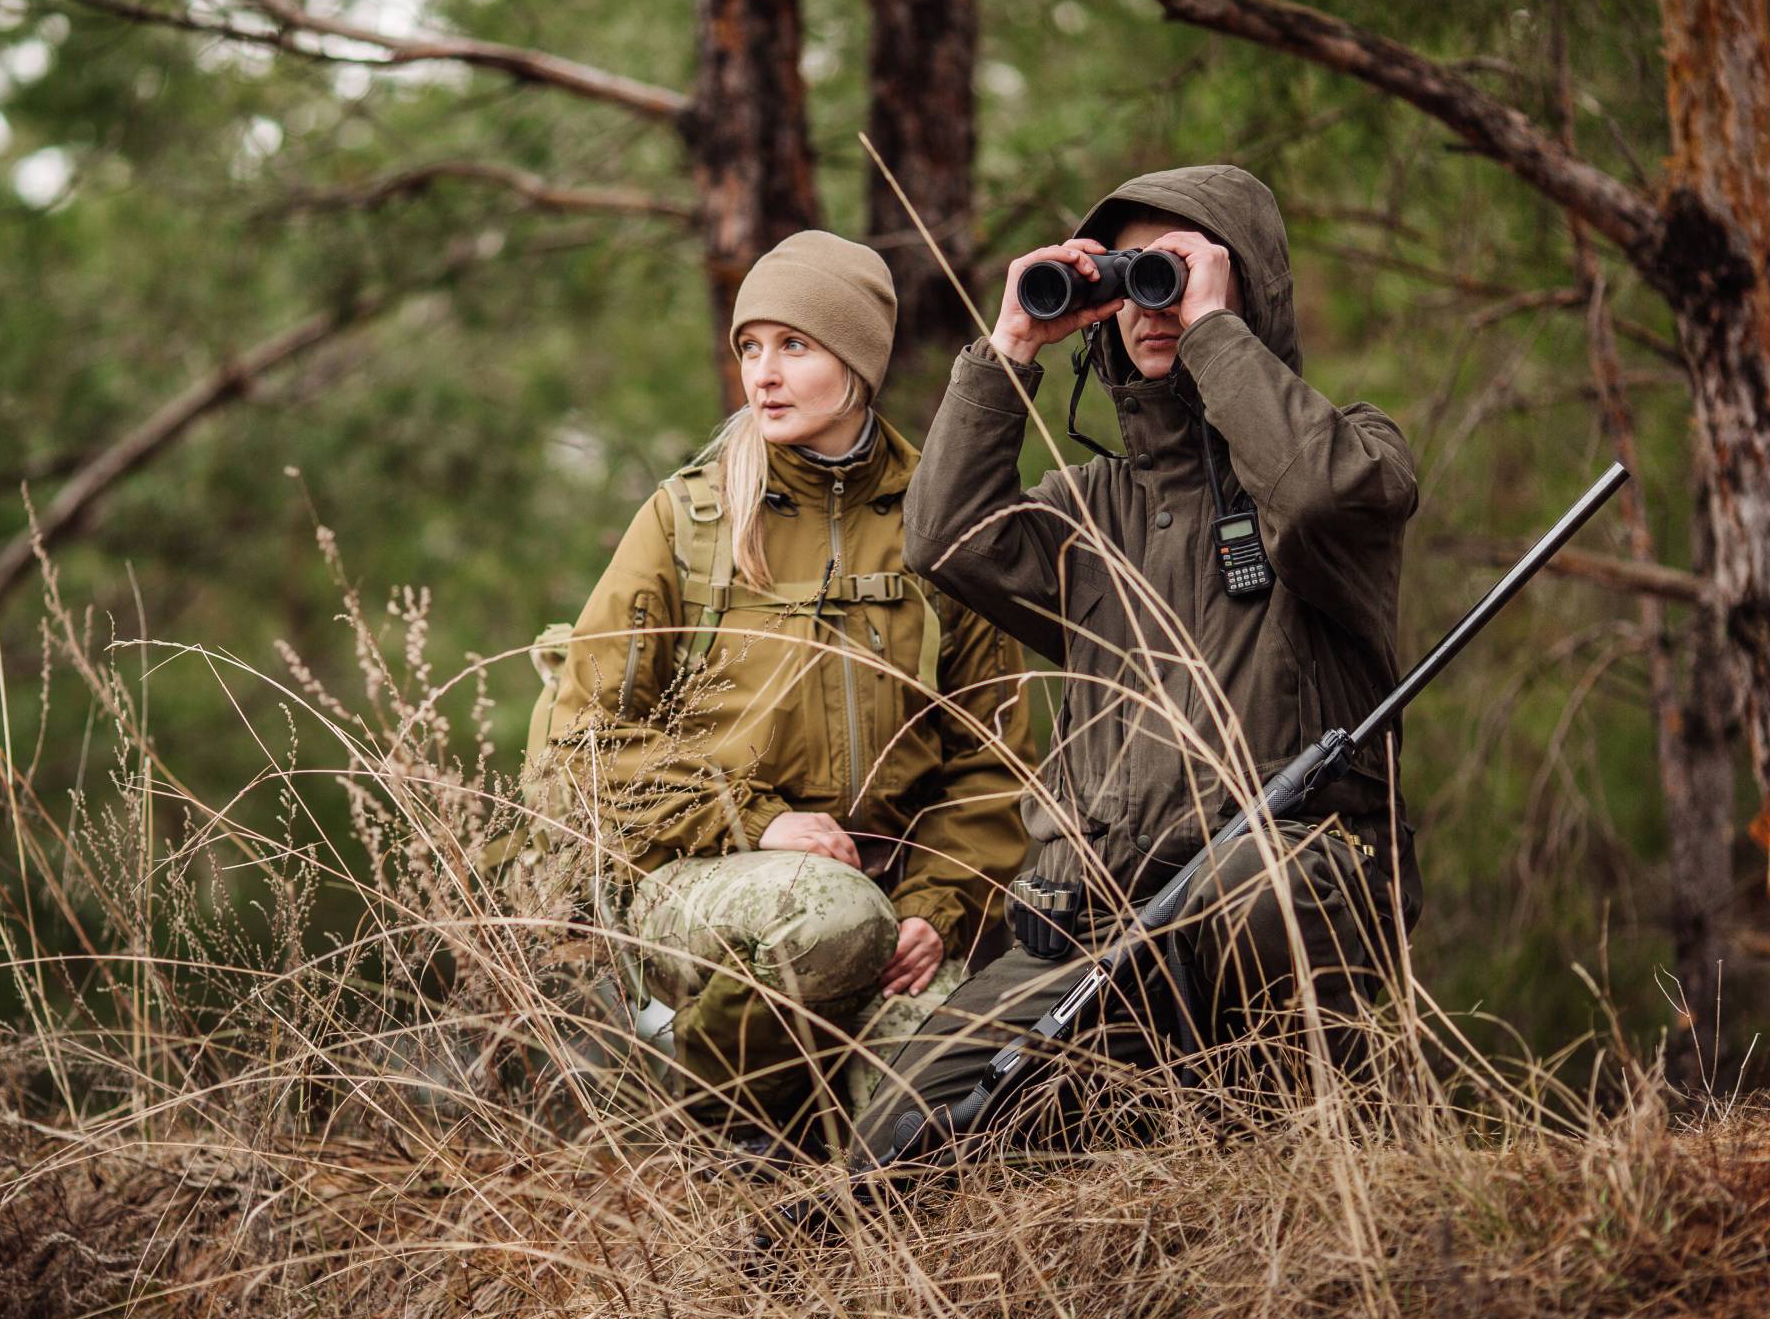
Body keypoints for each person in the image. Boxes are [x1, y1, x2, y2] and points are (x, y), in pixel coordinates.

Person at [854, 164, 1422, 1163]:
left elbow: (1316, 496)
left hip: (1276, 890)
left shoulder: (1348, 459)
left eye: (1176, 267)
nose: (1147, 303)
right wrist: (1011, 348)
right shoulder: (1089, 510)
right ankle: (1135, 1135)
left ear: (1246, 283)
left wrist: (1210, 330)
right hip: (1096, 927)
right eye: (1130, 279)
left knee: (1258, 877)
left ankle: (1318, 1161)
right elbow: (941, 537)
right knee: (907, 1132)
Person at [546, 230, 1034, 1155]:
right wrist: (754, 819)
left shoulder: (940, 523)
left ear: (858, 361)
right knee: (828, 917)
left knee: (945, 1095)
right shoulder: (689, 518)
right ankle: (733, 1155)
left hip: (889, 899)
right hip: (692, 876)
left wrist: (935, 904)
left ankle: (828, 1222)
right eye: (750, 348)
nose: (762, 374)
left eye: (795, 345)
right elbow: (582, 742)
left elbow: (993, 760)